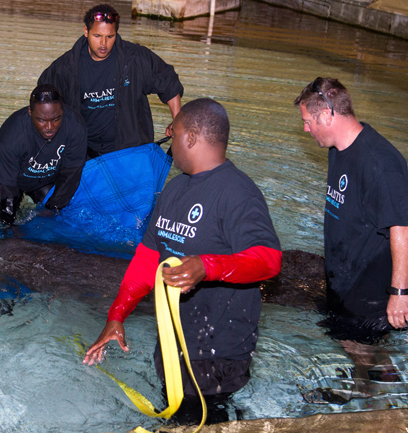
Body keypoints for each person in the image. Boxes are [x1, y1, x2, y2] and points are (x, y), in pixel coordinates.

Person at [83, 98, 282, 423]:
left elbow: (269, 259)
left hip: (218, 352)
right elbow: (147, 259)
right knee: (173, 414)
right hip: (173, 340)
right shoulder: (175, 190)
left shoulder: (238, 194)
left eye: (172, 131)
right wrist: (116, 316)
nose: (167, 135)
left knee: (200, 420)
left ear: (190, 138)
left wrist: (207, 266)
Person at [294, 78, 408, 387]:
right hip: (346, 277)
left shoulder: (379, 164)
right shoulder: (340, 149)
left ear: (328, 115)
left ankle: (376, 401)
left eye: (307, 122)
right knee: (364, 349)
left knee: (358, 348)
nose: (306, 129)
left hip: (369, 286)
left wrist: (399, 294)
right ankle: (381, 391)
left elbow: (402, 227)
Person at [38, 4, 183, 158]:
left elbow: (169, 82)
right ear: (86, 31)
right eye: (97, 36)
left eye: (110, 36)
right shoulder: (65, 67)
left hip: (130, 150)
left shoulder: (135, 58)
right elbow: (42, 99)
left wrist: (178, 121)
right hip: (84, 153)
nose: (103, 44)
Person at [0, 84, 87, 224]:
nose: (49, 127)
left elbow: (71, 173)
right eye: (41, 120)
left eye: (56, 119)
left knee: (55, 216)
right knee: (7, 220)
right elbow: (5, 186)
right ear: (30, 112)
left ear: (63, 111)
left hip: (46, 176)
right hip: (10, 177)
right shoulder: (12, 136)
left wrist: (52, 208)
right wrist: (9, 225)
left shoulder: (75, 126)